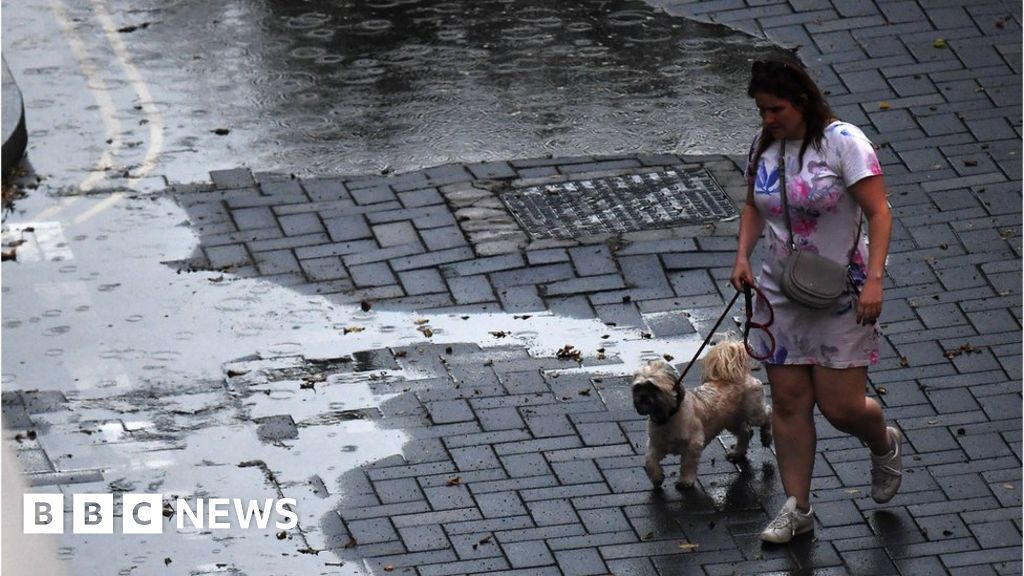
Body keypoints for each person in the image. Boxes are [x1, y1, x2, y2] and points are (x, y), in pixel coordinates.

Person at [729, 59, 902, 544]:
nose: (767, 119)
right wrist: (743, 254)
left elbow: (879, 212)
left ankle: (883, 443)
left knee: (841, 408)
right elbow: (751, 205)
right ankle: (796, 508)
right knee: (788, 402)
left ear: (802, 101)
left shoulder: (844, 143)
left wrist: (874, 281)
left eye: (775, 109)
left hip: (842, 293)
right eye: (761, 110)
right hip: (778, 291)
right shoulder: (764, 145)